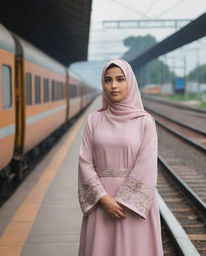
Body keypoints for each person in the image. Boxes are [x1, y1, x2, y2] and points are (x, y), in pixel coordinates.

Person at [78, 59, 164, 256]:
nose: (113, 86)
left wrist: (124, 201)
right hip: (102, 202)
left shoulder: (145, 122)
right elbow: (85, 162)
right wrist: (103, 198)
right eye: (107, 80)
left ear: (130, 82)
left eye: (120, 79)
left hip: (132, 208)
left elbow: (147, 165)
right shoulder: (94, 120)